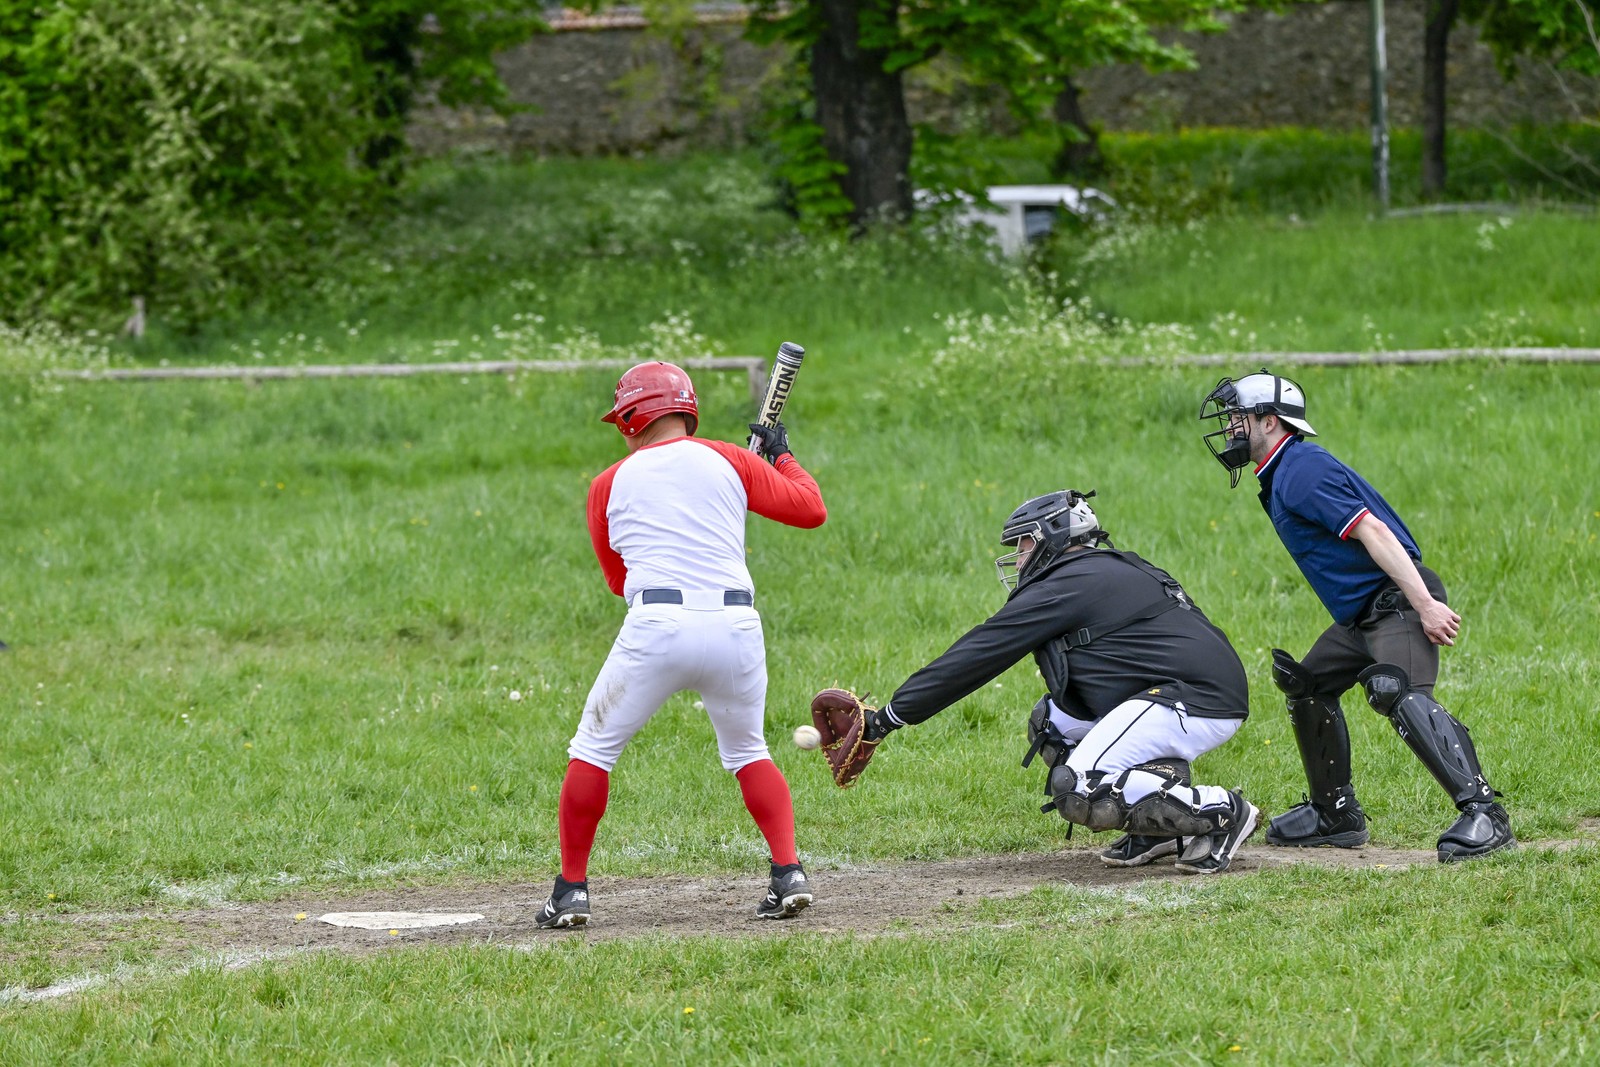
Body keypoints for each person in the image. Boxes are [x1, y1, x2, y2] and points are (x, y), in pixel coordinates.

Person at [536, 360, 828, 928]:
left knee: (593, 750)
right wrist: (780, 457)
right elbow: (810, 509)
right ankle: (787, 872)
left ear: (630, 419)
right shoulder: (731, 459)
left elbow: (619, 581)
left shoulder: (607, 484)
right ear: (687, 410)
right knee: (748, 751)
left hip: (657, 626)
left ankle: (571, 890)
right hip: (736, 629)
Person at [1198, 371, 1515, 862]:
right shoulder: (1283, 472)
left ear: (1270, 421)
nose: (1232, 427)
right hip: (1362, 613)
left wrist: (1426, 605)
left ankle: (1486, 813)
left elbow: (1375, 533)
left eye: (1240, 417)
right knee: (1306, 685)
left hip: (1397, 601)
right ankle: (1335, 815)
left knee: (1397, 692)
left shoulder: (1300, 468)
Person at [857, 489, 1260, 874]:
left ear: (1053, 536)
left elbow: (979, 653)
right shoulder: (1099, 568)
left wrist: (890, 717)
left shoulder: (1069, 581)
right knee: (1051, 723)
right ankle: (1151, 829)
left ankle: (1222, 810)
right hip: (1180, 691)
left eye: (1024, 545)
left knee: (1081, 785)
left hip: (1196, 700)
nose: (1017, 560)